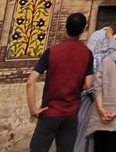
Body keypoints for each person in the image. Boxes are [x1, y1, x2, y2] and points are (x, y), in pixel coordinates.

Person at [28, 12, 95, 152]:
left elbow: (30, 81)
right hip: (71, 113)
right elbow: (88, 84)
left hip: (50, 112)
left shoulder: (52, 52)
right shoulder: (87, 54)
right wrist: (74, 86)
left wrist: (33, 108)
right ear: (83, 30)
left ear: (65, 28)